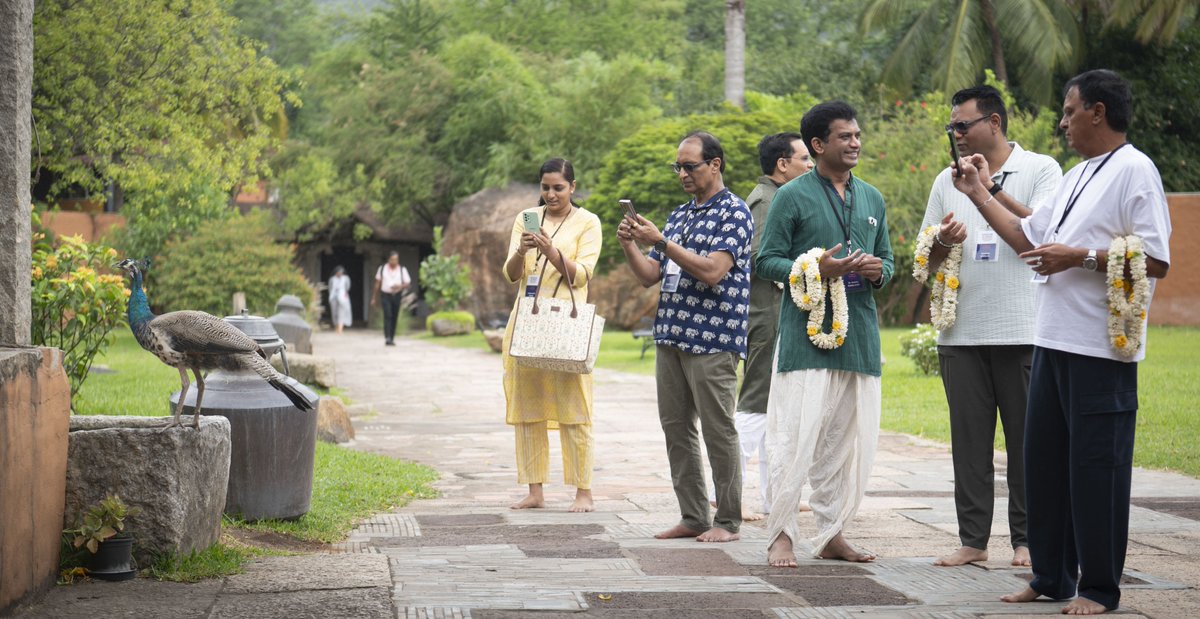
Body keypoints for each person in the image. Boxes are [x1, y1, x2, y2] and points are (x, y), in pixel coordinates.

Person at [957, 70, 1171, 615]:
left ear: (1098, 112)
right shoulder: (1078, 173)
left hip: (1101, 349)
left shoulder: (1135, 170)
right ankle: (1051, 576)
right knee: (1045, 466)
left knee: (1097, 471)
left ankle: (1099, 588)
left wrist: (1080, 258)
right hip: (1051, 340)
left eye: (1069, 110)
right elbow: (1030, 238)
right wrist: (979, 192)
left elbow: (1155, 260)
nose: (1062, 120)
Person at [918, 85, 1063, 568]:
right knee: (969, 445)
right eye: (952, 127)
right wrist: (941, 241)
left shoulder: (1041, 169)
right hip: (960, 332)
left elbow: (1045, 232)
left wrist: (986, 192)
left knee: (1028, 443)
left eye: (964, 124)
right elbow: (927, 261)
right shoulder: (946, 179)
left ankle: (1026, 540)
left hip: (1023, 328)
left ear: (995, 123)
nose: (956, 134)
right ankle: (974, 541)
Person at [756, 101, 894, 566]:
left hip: (859, 339)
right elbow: (766, 260)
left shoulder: (872, 197)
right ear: (818, 145)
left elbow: (889, 262)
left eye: (857, 135)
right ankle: (780, 534)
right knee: (793, 440)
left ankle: (833, 532)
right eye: (844, 136)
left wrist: (878, 270)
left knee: (843, 444)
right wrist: (817, 266)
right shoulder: (792, 195)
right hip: (805, 340)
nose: (855, 142)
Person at [617, 131, 752, 542]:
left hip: (713, 339)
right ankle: (693, 516)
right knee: (676, 428)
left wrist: (661, 241)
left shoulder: (735, 212)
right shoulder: (679, 215)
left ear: (716, 164)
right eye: (677, 166)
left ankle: (727, 520)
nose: (682, 173)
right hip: (672, 335)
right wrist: (631, 245)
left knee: (718, 429)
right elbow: (649, 277)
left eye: (689, 165)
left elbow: (713, 271)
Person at [707, 132, 813, 521]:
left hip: (774, 312)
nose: (810, 165)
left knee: (773, 408)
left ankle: (774, 497)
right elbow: (753, 256)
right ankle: (724, 492)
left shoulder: (772, 197)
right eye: (804, 158)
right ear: (782, 164)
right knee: (756, 402)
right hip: (766, 313)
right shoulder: (767, 201)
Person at [501, 158, 602, 513]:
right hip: (526, 323)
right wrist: (522, 250)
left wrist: (551, 251)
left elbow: (582, 275)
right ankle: (535, 491)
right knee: (528, 408)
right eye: (545, 187)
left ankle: (583, 492)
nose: (551, 194)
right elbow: (512, 274)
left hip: (565, 326)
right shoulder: (527, 218)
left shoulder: (588, 222)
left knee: (575, 408)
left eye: (558, 187)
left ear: (572, 187)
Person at [371, 251, 411, 346]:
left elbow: (408, 283)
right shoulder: (382, 269)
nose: (394, 261)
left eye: (396, 259)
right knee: (387, 314)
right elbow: (377, 283)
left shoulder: (402, 269)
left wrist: (400, 286)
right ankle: (387, 337)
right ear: (389, 259)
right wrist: (373, 297)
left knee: (394, 315)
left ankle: (392, 337)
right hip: (385, 294)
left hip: (397, 295)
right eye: (393, 259)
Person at [328, 265, 352, 335]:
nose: (340, 274)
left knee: (341, 312)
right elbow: (330, 288)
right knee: (334, 312)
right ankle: (336, 326)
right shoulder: (332, 279)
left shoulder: (346, 278)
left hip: (342, 296)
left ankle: (340, 329)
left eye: (341, 272)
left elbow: (348, 287)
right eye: (339, 272)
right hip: (333, 297)